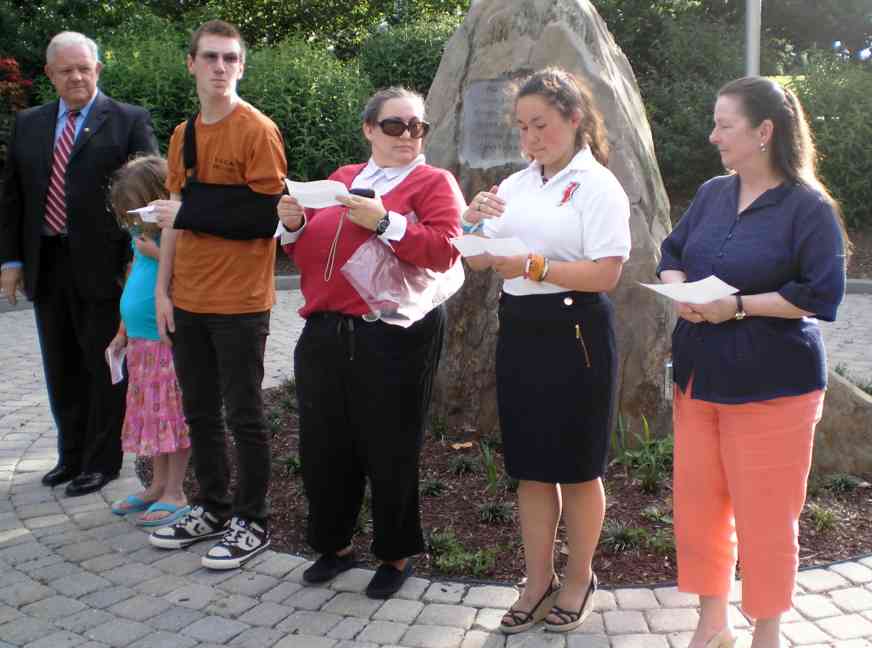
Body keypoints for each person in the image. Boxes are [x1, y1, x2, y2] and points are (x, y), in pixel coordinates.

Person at [657, 76, 847, 648]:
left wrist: (734, 307)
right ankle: (712, 625)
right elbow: (672, 251)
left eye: (724, 125)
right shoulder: (715, 191)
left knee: (766, 520)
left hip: (774, 389)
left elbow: (820, 294)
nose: (713, 135)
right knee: (698, 510)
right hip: (699, 381)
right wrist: (680, 290)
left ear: (765, 132)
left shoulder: (809, 208)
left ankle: (766, 631)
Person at [461, 67, 631, 633]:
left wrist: (532, 264)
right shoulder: (513, 186)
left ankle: (579, 576)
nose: (532, 137)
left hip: (576, 332)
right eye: (522, 127)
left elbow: (606, 274)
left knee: (578, 469)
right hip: (521, 328)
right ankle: (537, 581)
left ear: (575, 120)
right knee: (532, 469)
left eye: (542, 125)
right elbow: (481, 257)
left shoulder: (598, 185)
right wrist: (472, 228)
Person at [277, 86, 463, 599]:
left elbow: (447, 251)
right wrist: (291, 224)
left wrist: (384, 221)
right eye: (394, 125)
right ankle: (333, 546)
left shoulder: (432, 181)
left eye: (417, 126)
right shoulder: (339, 180)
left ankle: (395, 554)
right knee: (324, 445)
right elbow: (309, 251)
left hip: (394, 334)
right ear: (369, 129)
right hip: (326, 329)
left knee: (391, 444)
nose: (408, 135)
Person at [146, 20, 287, 570]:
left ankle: (252, 521)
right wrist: (163, 290)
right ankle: (211, 507)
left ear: (241, 67)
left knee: (245, 414)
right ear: (192, 64)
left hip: (241, 301)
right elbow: (174, 221)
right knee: (199, 411)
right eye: (210, 57)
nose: (220, 67)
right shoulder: (185, 134)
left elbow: (264, 216)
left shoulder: (257, 130)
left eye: (230, 58)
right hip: (189, 298)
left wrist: (190, 212)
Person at [0, 31, 158, 496]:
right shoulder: (28, 123)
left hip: (106, 266)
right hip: (46, 262)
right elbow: (12, 198)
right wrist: (10, 260)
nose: (76, 77)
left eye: (84, 68)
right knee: (61, 363)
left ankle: (102, 461)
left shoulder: (128, 121)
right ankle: (70, 454)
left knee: (102, 361)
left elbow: (150, 194)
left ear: (98, 70)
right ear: (49, 75)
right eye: (66, 70)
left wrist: (140, 258)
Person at [105, 156, 191, 527]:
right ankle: (157, 485)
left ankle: (176, 490)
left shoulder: (180, 231)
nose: (132, 219)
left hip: (166, 339)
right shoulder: (139, 234)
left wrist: (157, 252)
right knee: (153, 416)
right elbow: (134, 276)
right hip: (140, 341)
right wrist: (122, 331)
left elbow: (190, 273)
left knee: (173, 415)